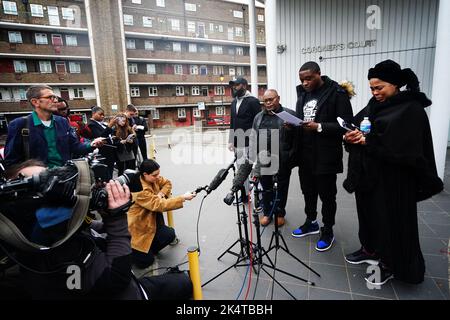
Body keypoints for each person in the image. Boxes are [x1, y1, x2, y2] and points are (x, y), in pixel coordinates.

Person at [0, 161, 193, 300]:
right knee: (182, 282)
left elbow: (93, 226)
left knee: (176, 270)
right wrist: (116, 218)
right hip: (124, 286)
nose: (58, 185)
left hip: (121, 267)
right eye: (44, 182)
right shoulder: (51, 244)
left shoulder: (58, 225)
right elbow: (117, 278)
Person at [343, 60, 443, 286]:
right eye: (371, 88)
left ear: (396, 85)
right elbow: (357, 124)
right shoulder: (374, 104)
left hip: (395, 181)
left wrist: (368, 140)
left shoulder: (411, 109)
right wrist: (349, 135)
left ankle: (391, 265)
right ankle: (370, 250)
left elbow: (404, 149)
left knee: (391, 223)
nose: (375, 92)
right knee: (369, 217)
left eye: (380, 87)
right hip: (369, 177)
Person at [291, 61, 353, 252]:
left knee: (327, 196)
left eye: (309, 78)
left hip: (325, 155)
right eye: (302, 80)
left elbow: (346, 124)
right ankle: (311, 222)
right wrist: (292, 125)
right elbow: (301, 120)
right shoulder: (302, 95)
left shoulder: (337, 93)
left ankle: (328, 230)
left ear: (319, 74)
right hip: (305, 155)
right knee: (308, 192)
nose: (305, 83)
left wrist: (318, 126)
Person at [4, 85, 104, 168]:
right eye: (50, 97)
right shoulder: (19, 125)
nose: (55, 100)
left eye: (55, 97)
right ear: (35, 102)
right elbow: (11, 162)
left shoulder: (62, 122)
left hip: (64, 178)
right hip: (36, 185)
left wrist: (91, 144)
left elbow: (74, 146)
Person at [127, 159, 196, 268]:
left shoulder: (152, 178)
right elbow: (159, 205)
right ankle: (134, 252)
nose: (158, 177)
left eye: (159, 173)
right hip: (139, 229)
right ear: (145, 174)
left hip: (151, 223)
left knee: (169, 234)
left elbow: (167, 183)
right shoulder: (140, 190)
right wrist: (183, 198)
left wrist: (160, 194)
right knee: (146, 262)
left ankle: (149, 249)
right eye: (155, 175)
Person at [250, 89, 297, 227]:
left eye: (271, 99)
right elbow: (253, 137)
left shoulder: (289, 115)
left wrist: (290, 156)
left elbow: (298, 138)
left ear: (278, 98)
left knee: (282, 187)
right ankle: (267, 213)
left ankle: (280, 213)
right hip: (264, 159)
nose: (268, 103)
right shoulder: (258, 117)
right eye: (266, 101)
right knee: (266, 188)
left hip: (282, 159)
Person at [228, 76, 262, 204]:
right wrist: (231, 140)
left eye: (236, 85)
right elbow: (232, 122)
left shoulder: (253, 101)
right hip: (238, 143)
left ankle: (258, 197)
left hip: (250, 142)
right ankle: (244, 196)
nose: (234, 88)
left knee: (253, 171)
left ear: (244, 86)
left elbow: (258, 122)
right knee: (240, 171)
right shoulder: (233, 102)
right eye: (232, 85)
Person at [88, 106, 117, 180]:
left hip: (110, 152)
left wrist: (112, 136)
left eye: (103, 114)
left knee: (110, 173)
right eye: (100, 114)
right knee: (105, 175)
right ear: (93, 114)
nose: (102, 116)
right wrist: (110, 126)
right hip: (103, 152)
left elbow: (108, 133)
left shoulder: (103, 124)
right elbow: (100, 137)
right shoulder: (92, 124)